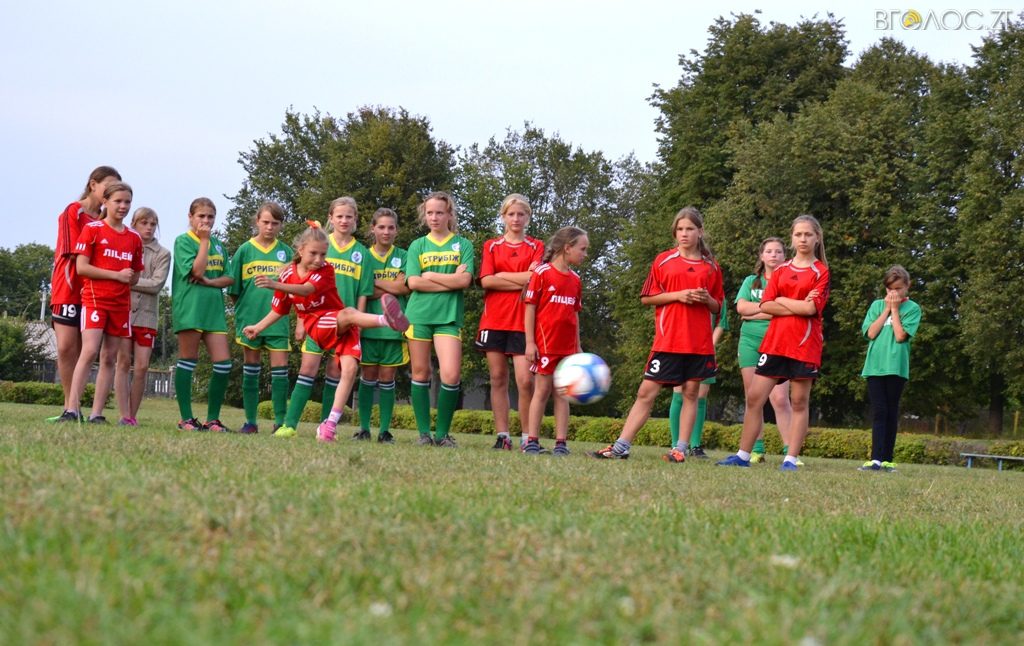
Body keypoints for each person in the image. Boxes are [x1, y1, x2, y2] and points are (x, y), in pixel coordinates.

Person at [242, 222, 409, 442]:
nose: (319, 259)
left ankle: (329, 426)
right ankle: (386, 321)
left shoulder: (325, 270)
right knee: (348, 314)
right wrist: (258, 327)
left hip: (341, 325)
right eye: (313, 253)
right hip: (317, 323)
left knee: (349, 370)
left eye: (323, 254)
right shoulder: (287, 275)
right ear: (300, 250)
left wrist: (275, 285)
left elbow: (306, 289)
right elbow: (279, 310)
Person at [588, 207, 723, 461]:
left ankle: (680, 450)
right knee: (645, 392)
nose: (684, 234)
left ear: (700, 231)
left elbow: (718, 306)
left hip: (698, 343)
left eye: (690, 229)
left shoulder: (711, 267)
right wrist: (678, 295)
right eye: (680, 229)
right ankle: (621, 447)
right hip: (668, 340)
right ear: (675, 232)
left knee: (691, 393)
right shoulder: (663, 261)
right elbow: (647, 297)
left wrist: (707, 300)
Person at [717, 215, 830, 471]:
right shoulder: (781, 270)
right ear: (792, 238)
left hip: (804, 345)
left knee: (798, 401)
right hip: (775, 343)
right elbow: (766, 304)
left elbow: (811, 308)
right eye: (798, 234)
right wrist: (796, 305)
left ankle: (790, 459)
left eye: (808, 234)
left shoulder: (821, 272)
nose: (803, 239)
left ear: (817, 238)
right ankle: (743, 455)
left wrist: (784, 302)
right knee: (755, 398)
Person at [281, 197, 374, 439]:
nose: (344, 220)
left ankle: (325, 427)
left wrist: (359, 323)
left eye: (349, 216)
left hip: (344, 323)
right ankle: (289, 425)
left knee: (335, 372)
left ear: (355, 219)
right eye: (339, 216)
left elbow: (363, 293)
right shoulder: (320, 244)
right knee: (307, 369)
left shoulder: (362, 253)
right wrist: (301, 321)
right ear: (330, 218)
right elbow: (300, 284)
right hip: (315, 319)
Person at [64, 183, 144, 423]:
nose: (123, 206)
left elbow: (135, 274)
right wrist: (116, 275)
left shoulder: (134, 238)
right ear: (106, 202)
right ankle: (72, 409)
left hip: (120, 305)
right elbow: (81, 267)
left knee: (109, 357)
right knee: (89, 351)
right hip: (95, 299)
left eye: (127, 202)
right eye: (118, 201)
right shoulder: (93, 229)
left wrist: (128, 277)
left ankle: (97, 413)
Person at [49, 165, 122, 422]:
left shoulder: (106, 221)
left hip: (93, 291)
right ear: (93, 185)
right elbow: (75, 254)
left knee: (86, 350)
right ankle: (70, 406)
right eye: (108, 186)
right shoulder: (74, 211)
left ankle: (74, 407)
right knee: (66, 347)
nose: (111, 193)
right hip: (68, 287)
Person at [405, 191, 475, 448]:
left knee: (451, 375)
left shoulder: (463, 245)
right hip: (419, 315)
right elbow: (413, 283)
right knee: (421, 373)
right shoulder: (417, 245)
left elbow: (464, 281)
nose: (434, 217)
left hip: (448, 317)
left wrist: (431, 275)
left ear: (449, 214)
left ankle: (443, 434)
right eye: (430, 213)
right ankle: (424, 434)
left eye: (439, 212)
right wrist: (450, 280)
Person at [476, 194, 544, 451]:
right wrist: (519, 278)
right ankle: (503, 436)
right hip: (494, 320)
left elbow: (535, 280)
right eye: (511, 214)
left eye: (521, 214)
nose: (516, 219)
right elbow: (487, 281)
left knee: (526, 381)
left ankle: (528, 438)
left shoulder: (536, 246)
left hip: (523, 322)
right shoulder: (491, 246)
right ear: (503, 216)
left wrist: (502, 275)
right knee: (497, 378)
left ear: (528, 217)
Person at [226, 202, 293, 434]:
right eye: (265, 222)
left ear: (281, 225)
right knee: (251, 369)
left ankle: (280, 422)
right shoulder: (244, 250)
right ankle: (250, 422)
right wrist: (246, 309)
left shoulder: (287, 252)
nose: (270, 227)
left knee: (280, 371)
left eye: (275, 223)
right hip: (250, 319)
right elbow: (234, 290)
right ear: (257, 222)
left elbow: (293, 288)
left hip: (278, 321)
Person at [522, 226, 588, 456]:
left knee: (563, 394)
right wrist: (530, 342)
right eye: (582, 249)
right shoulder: (542, 273)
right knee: (541, 391)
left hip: (567, 348)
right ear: (567, 248)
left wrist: (577, 346)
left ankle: (561, 444)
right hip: (545, 345)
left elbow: (574, 315)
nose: (585, 254)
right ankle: (532, 441)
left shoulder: (576, 280)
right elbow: (530, 309)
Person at [171, 198, 235, 432]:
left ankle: (212, 420)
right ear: (190, 217)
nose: (206, 221)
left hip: (214, 311)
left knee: (224, 363)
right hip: (190, 308)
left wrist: (210, 282)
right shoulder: (183, 241)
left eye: (210, 217)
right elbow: (196, 271)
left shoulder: (219, 245)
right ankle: (186, 419)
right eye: (201, 216)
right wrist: (204, 241)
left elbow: (229, 277)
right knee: (188, 360)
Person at [734, 238, 794, 463]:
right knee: (753, 397)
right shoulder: (752, 281)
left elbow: (788, 311)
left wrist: (754, 313)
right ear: (762, 256)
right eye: (769, 251)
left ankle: (790, 452)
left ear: (785, 256)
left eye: (778, 251)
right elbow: (741, 307)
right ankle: (756, 449)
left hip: (777, 341)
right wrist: (770, 310)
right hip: (749, 341)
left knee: (780, 398)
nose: (773, 255)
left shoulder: (788, 282)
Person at [858, 265, 921, 472]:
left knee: (891, 410)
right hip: (875, 366)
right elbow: (871, 333)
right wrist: (886, 309)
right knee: (879, 410)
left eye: (898, 289)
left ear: (907, 286)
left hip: (896, 367)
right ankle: (875, 459)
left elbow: (901, 336)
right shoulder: (877, 306)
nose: (894, 293)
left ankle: (887, 459)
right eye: (890, 289)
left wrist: (894, 310)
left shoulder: (912, 309)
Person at [356, 208, 411, 444]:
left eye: (391, 227)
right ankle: (364, 429)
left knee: (388, 377)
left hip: (393, 330)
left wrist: (374, 282)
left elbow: (404, 287)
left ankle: (384, 431)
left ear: (396, 230)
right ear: (373, 229)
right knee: (367, 376)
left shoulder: (405, 255)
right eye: (381, 227)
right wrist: (391, 285)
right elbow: (362, 291)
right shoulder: (362, 255)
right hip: (368, 326)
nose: (386, 232)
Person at [114, 207, 171, 426]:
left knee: (142, 366)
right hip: (123, 311)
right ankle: (123, 414)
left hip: (147, 316)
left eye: (152, 224)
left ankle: (132, 414)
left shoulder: (162, 253)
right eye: (143, 223)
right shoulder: (124, 246)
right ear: (134, 224)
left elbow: (156, 284)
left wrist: (126, 280)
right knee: (122, 362)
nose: (148, 228)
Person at [668, 306, 729, 458]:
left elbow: (721, 322)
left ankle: (695, 445)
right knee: (679, 393)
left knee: (700, 396)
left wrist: (709, 346)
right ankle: (676, 445)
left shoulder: (717, 294)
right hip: (680, 346)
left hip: (704, 350)